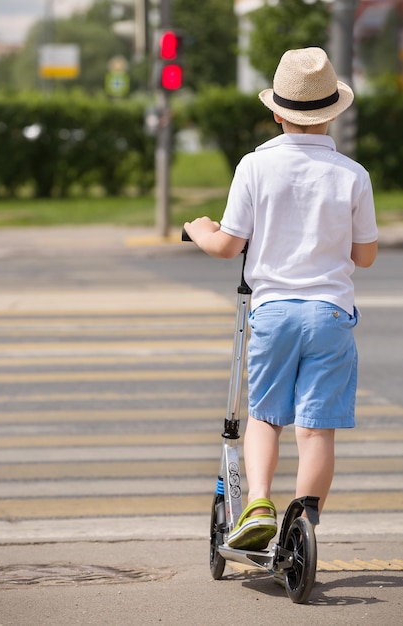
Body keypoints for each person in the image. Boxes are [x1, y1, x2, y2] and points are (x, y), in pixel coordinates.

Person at [184, 47, 378, 551]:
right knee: (316, 431)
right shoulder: (353, 174)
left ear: (277, 112)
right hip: (331, 315)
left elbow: (228, 245)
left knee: (266, 417)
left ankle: (260, 504)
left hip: (272, 312)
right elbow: (366, 255)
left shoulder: (254, 166)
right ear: (333, 112)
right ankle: (303, 523)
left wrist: (198, 229)